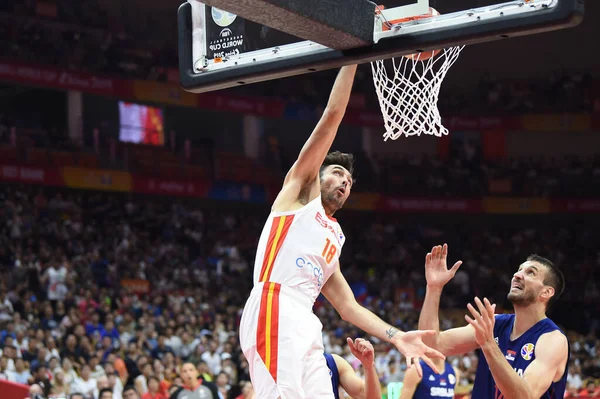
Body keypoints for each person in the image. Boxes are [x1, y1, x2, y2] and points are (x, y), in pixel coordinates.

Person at [238, 65, 443, 399]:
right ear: (317, 175)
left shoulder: (335, 236)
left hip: (306, 319)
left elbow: (348, 307)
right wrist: (353, 58)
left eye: (349, 182)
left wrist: (396, 336)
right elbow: (332, 117)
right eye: (337, 173)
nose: (345, 183)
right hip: (274, 304)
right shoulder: (299, 193)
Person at [418, 244, 569, 399]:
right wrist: (434, 288)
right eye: (519, 270)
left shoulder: (553, 340)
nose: (517, 275)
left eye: (530, 273)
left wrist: (489, 344)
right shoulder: (495, 324)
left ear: (547, 291)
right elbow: (431, 345)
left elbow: (525, 396)